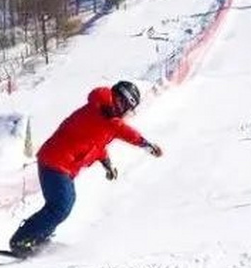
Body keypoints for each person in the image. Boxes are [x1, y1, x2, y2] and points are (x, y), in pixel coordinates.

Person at [9, 80, 162, 255]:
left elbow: (96, 144)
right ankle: (23, 239)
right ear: (116, 97)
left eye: (127, 107)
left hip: (62, 163)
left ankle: (36, 237)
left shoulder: (107, 117)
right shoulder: (100, 110)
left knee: (64, 204)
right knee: (61, 205)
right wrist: (146, 144)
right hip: (55, 160)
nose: (123, 109)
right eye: (123, 103)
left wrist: (107, 164)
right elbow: (126, 132)